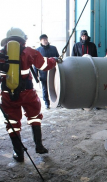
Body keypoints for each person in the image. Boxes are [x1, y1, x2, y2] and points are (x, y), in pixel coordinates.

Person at [0, 27, 59, 162]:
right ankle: (39, 145)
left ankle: (18, 153)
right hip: (27, 93)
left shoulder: (1, 53)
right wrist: (55, 59)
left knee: (13, 123)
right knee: (34, 117)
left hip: (8, 95)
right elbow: (44, 65)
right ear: (23, 39)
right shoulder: (29, 51)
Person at [34, 34, 59, 109]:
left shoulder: (53, 48)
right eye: (43, 40)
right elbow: (35, 64)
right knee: (45, 89)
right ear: (41, 41)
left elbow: (58, 58)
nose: (45, 41)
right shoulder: (38, 50)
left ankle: (57, 101)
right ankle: (46, 103)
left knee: (55, 87)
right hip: (43, 73)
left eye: (46, 39)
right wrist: (36, 75)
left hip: (54, 71)